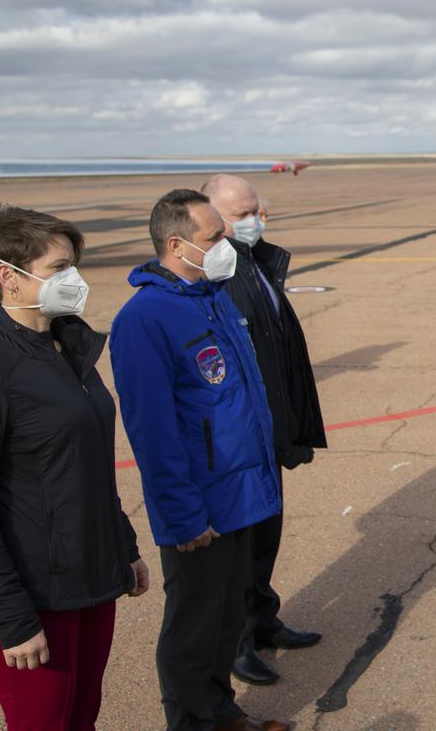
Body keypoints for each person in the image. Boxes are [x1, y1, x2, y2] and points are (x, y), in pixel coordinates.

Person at [0, 204, 150, 731]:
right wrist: (10, 616)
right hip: (28, 592)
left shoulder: (66, 349)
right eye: (58, 268)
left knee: (82, 717)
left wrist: (123, 547)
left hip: (89, 576)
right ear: (9, 277)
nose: (73, 278)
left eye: (73, 264)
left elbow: (86, 466)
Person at [110, 189, 288, 731]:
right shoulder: (146, 318)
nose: (226, 243)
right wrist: (183, 514)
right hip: (200, 506)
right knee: (193, 626)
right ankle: (192, 721)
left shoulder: (211, 296)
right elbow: (154, 432)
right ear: (176, 244)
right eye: (214, 237)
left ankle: (221, 711)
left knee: (226, 616)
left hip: (239, 494)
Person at [200, 174, 327, 687]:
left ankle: (263, 621)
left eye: (258, 209)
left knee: (266, 534)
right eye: (242, 214)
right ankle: (235, 643)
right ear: (210, 220)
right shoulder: (215, 276)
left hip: (269, 429)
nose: (256, 221)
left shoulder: (257, 262)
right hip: (236, 440)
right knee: (239, 545)